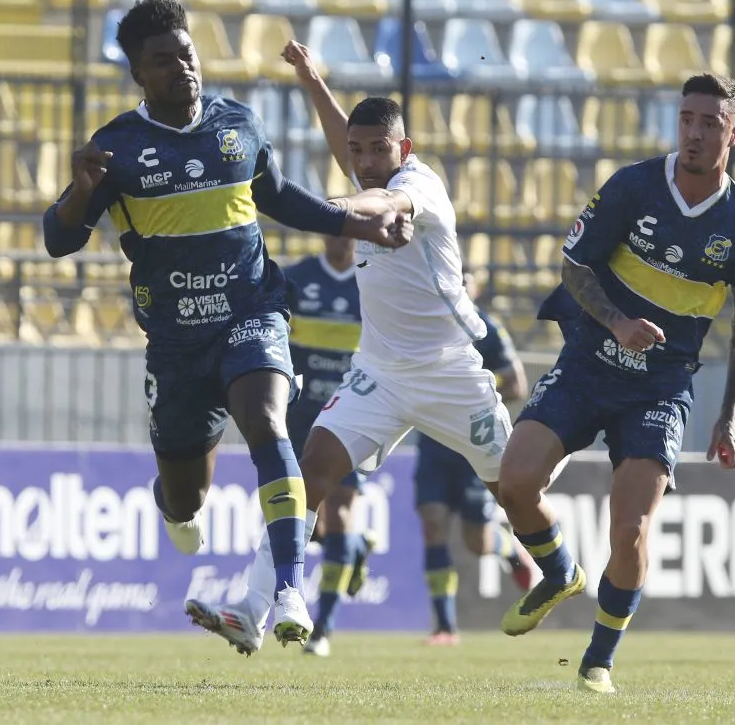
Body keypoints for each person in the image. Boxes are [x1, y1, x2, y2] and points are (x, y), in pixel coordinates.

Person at [41, 0, 412, 648]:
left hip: (252, 311)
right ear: (139, 75)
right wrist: (78, 191)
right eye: (164, 60)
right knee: (185, 498)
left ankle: (288, 583)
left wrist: (359, 222)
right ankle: (175, 504)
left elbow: (282, 200)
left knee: (268, 423)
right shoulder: (116, 149)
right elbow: (58, 240)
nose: (183, 68)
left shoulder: (236, 124)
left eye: (187, 53)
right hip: (177, 344)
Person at [184, 41, 567, 655]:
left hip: (450, 373)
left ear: (404, 149)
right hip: (379, 374)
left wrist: (332, 210)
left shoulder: (420, 186)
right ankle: (253, 610)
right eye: (357, 151)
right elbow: (346, 147)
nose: (363, 161)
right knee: (309, 473)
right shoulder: (365, 164)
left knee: (517, 493)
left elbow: (385, 202)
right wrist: (313, 79)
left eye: (377, 149)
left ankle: (565, 570)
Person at [496, 73, 735, 694]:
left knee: (632, 529)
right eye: (687, 119)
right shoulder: (634, 185)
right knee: (514, 480)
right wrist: (616, 321)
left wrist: (727, 417)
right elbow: (573, 264)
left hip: (659, 391)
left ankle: (599, 661)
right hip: (588, 366)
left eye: (710, 123)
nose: (695, 133)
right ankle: (561, 570)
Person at [415, 268, 534, 646]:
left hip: (473, 443)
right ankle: (445, 626)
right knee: (432, 524)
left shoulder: (488, 329)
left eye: (465, 283)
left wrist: (474, 383)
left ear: (475, 289)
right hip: (434, 443)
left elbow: (517, 385)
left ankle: (510, 549)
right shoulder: (426, 327)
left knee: (477, 542)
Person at [283, 236, 374, 658]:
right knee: (309, 519)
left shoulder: (373, 280)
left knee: (338, 509)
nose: (341, 236)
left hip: (353, 412)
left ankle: (324, 628)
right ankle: (355, 549)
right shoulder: (297, 279)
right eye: (333, 227)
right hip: (300, 414)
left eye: (349, 229)